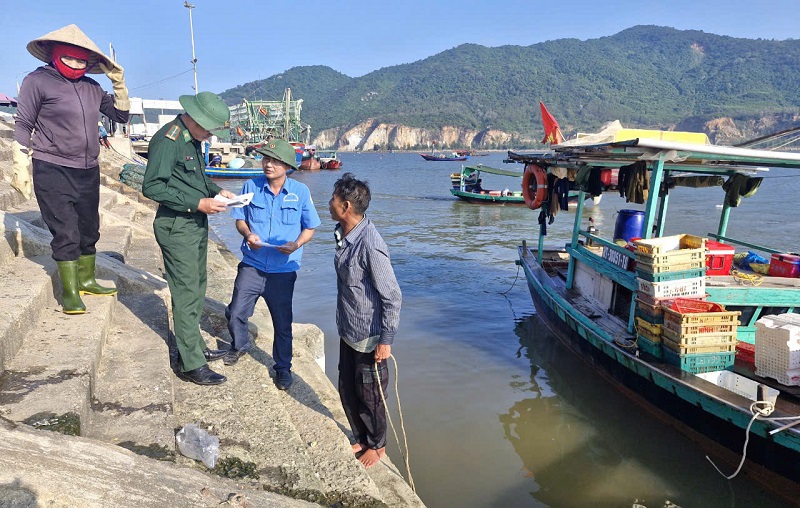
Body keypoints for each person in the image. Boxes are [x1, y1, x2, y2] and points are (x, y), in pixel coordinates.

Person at [12, 24, 130, 314]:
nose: (77, 65)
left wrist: (119, 83)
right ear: (55, 54)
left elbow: (121, 115)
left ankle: (87, 278)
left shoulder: (92, 87)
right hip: (51, 166)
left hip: (88, 168)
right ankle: (70, 291)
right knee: (66, 232)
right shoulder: (37, 81)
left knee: (89, 229)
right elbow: (24, 122)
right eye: (70, 58)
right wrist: (19, 162)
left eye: (82, 61)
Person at [141, 91, 236, 386]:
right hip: (176, 225)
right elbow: (152, 186)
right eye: (207, 128)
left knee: (197, 288)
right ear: (193, 118)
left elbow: (196, 178)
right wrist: (197, 204)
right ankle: (189, 363)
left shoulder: (190, 139)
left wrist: (215, 191)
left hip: (193, 224)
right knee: (184, 293)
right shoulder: (168, 140)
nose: (208, 135)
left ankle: (193, 346)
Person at [224, 139, 321, 390]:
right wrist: (248, 235)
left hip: (283, 269)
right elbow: (239, 219)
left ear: (287, 166)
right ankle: (239, 345)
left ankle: (282, 368)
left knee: (282, 322)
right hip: (252, 264)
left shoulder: (300, 192)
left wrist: (296, 244)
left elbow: (310, 227)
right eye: (266, 159)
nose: (268, 164)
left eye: (275, 161)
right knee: (236, 312)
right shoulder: (250, 186)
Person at [329, 173, 402, 468]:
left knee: (371, 393)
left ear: (346, 205)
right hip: (349, 329)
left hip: (369, 337)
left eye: (333, 198)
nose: (329, 202)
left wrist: (386, 340)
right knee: (347, 386)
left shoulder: (370, 244)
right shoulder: (344, 234)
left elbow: (393, 296)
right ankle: (359, 435)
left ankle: (377, 444)